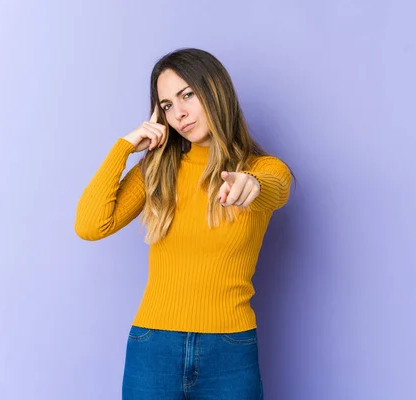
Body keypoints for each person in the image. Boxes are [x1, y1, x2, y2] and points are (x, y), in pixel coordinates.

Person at [74, 47, 294, 399]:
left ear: (214, 90)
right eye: (166, 105)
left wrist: (250, 186)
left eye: (187, 95)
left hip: (230, 349)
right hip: (153, 346)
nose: (179, 113)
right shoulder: (157, 170)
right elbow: (90, 225)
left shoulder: (262, 169)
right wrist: (125, 148)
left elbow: (274, 189)